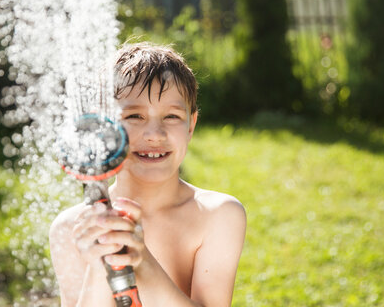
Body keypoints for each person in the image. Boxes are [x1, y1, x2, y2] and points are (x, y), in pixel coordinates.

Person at [49, 42, 246, 306]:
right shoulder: (71, 229)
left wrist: (141, 261)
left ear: (191, 125)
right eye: (134, 116)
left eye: (172, 117)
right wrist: (100, 265)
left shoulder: (217, 215)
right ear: (103, 128)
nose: (155, 134)